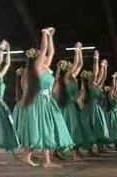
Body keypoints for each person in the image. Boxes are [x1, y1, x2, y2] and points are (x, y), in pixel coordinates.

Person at [13, 27, 74, 168]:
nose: (45, 56)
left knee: (48, 130)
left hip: (47, 102)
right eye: (41, 55)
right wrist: (45, 35)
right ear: (37, 58)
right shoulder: (36, 67)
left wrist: (51, 36)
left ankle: (46, 160)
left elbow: (51, 52)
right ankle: (27, 155)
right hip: (39, 102)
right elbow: (45, 49)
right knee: (43, 130)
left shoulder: (44, 67)